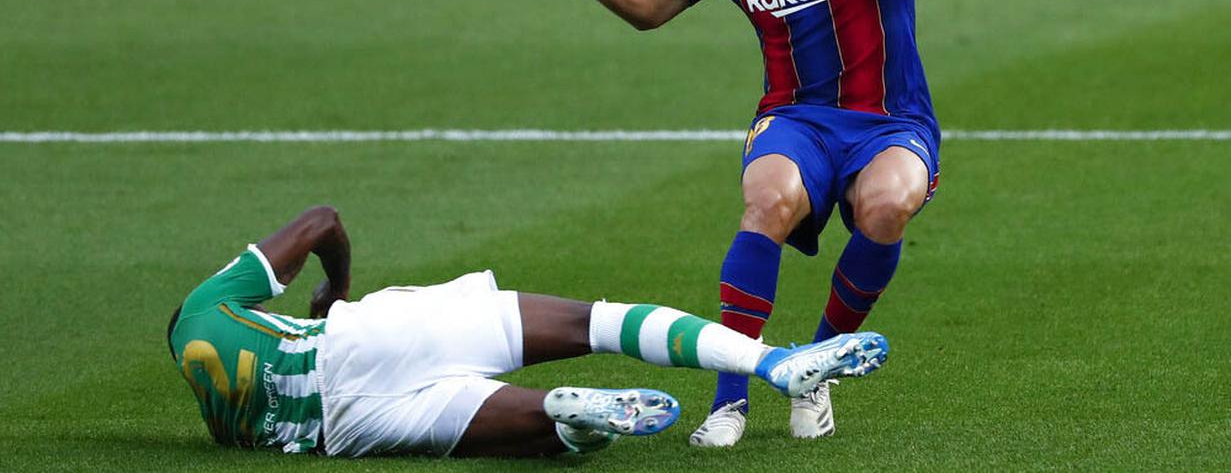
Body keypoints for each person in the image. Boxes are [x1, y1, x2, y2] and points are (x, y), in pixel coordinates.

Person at [510, 0, 989, 448]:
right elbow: (649, 7)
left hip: (888, 120)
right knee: (765, 203)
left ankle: (813, 367)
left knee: (886, 206)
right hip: (793, 118)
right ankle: (728, 399)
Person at [168, 206, 888, 458]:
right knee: (593, 322)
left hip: (349, 426)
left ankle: (565, 414)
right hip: (359, 337)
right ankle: (771, 363)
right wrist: (336, 288)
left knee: (538, 438)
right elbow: (322, 219)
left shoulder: (222, 425)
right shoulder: (207, 307)